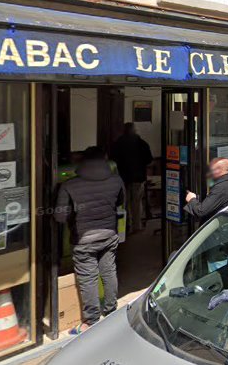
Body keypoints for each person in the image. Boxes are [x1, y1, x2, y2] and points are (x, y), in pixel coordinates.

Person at [54, 146, 125, 334]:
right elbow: (119, 202)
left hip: (83, 239)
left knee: (88, 279)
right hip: (109, 234)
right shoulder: (116, 180)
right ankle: (110, 312)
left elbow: (59, 217)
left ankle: (91, 321)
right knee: (109, 272)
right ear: (104, 158)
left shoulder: (69, 185)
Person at [110, 123, 153, 233]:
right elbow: (149, 159)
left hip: (123, 177)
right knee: (137, 202)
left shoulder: (118, 143)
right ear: (135, 130)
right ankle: (137, 226)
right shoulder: (141, 143)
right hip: (138, 177)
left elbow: (112, 159)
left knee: (124, 202)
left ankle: (125, 226)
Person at [184, 157, 228, 223]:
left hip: (218, 231)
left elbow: (201, 211)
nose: (209, 172)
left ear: (218, 170)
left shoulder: (221, 188)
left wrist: (192, 199)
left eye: (211, 170)